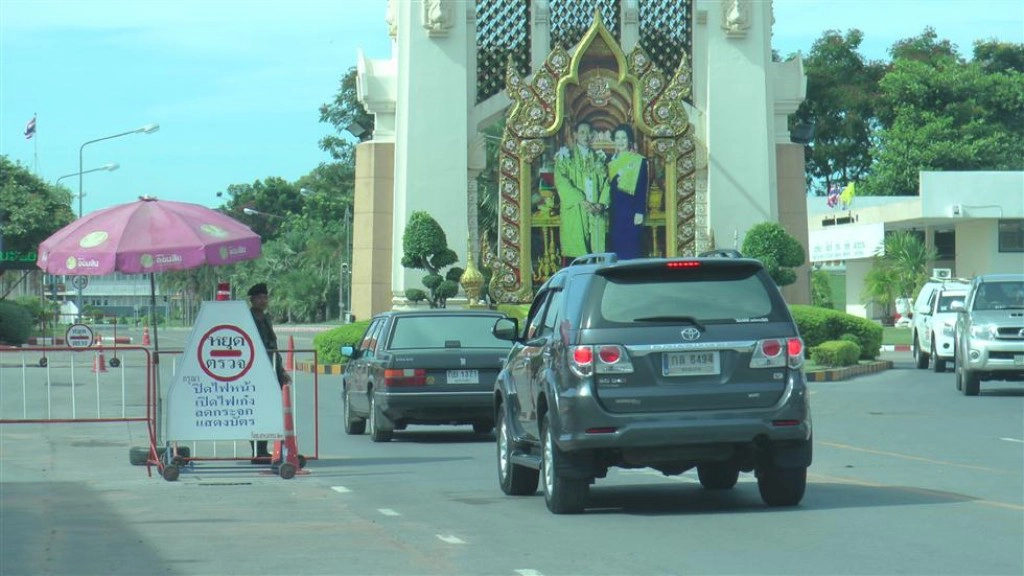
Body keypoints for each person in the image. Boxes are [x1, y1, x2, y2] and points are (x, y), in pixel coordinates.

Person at [554, 120, 610, 265]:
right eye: (582, 132)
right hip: (577, 209)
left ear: (592, 135)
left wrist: (602, 203)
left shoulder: (599, 158)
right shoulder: (566, 158)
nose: (585, 136)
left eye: (588, 133)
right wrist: (581, 199)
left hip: (596, 211)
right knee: (578, 253)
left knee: (597, 253)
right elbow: (561, 182)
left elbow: (606, 183)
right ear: (575, 135)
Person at [247, 282, 291, 463]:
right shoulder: (249, 319)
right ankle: (258, 450)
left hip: (272, 368)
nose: (263, 301)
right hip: (258, 370)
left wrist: (281, 371)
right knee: (257, 410)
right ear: (252, 300)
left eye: (265, 297)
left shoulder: (265, 318)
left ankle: (263, 450)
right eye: (259, 298)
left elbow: (273, 347)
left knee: (269, 409)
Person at [607, 124, 649, 259]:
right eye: (617, 138)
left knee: (632, 247)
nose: (620, 141)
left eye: (623, 138)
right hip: (615, 212)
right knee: (616, 248)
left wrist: (640, 211)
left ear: (629, 140)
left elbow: (642, 187)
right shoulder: (610, 162)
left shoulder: (638, 161)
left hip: (631, 211)